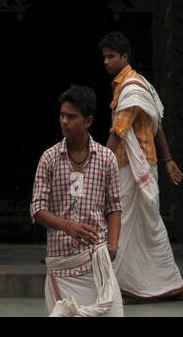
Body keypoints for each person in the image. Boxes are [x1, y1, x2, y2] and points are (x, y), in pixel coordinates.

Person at [100, 31, 183, 301]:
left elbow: (119, 130)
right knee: (136, 222)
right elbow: (158, 124)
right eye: (104, 57)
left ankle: (163, 282)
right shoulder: (143, 85)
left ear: (124, 57)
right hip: (143, 165)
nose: (106, 61)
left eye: (111, 56)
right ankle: (136, 284)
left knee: (127, 220)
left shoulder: (131, 86)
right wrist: (168, 159)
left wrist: (99, 162)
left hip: (132, 165)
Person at [30, 85, 124, 317]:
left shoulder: (106, 158)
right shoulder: (49, 158)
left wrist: (112, 246)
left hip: (97, 264)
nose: (64, 121)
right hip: (61, 264)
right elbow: (38, 208)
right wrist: (67, 226)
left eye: (71, 117)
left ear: (88, 120)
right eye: (62, 115)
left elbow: (114, 207)